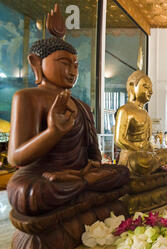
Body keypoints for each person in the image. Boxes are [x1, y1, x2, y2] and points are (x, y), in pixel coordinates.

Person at [7, 10, 129, 217]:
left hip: (78, 176)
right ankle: (82, 190)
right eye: (64, 63)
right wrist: (53, 132)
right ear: (37, 63)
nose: (72, 71)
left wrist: (91, 166)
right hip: (42, 177)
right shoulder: (27, 97)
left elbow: (93, 153)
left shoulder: (81, 105)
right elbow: (15, 157)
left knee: (123, 173)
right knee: (28, 194)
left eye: (75, 65)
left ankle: (80, 184)